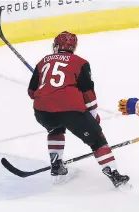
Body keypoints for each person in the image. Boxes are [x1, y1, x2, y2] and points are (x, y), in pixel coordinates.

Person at [27, 31, 129, 187]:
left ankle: (56, 165)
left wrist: (47, 89)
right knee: (97, 139)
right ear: (73, 47)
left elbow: (32, 92)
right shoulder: (80, 62)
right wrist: (94, 116)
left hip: (42, 113)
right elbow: (88, 94)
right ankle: (114, 175)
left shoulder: (43, 62)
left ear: (56, 45)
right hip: (71, 111)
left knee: (55, 127)